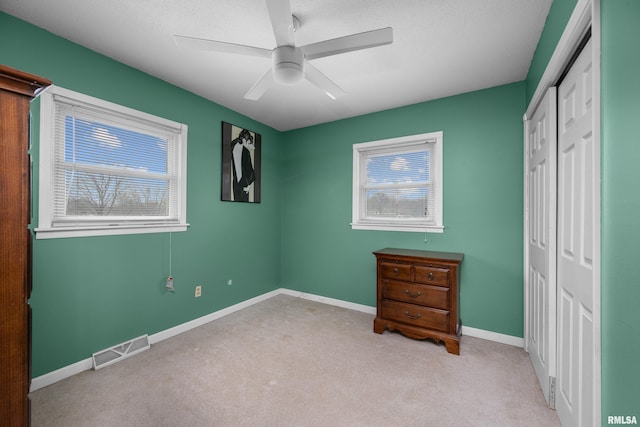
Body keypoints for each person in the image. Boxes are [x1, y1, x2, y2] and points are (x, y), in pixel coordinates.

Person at [231, 129, 256, 202]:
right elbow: (249, 169)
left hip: (237, 182)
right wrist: (249, 185)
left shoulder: (234, 146)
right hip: (244, 183)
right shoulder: (245, 151)